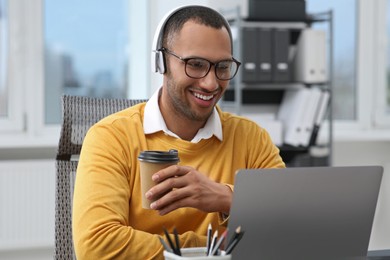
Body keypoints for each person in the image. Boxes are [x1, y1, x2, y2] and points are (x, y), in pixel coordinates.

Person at [73, 5, 285, 259]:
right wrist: (210, 247)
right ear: (161, 62)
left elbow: (288, 223)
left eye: (223, 67)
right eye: (195, 65)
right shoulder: (110, 138)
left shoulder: (252, 139)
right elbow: (97, 246)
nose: (211, 83)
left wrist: (225, 197)